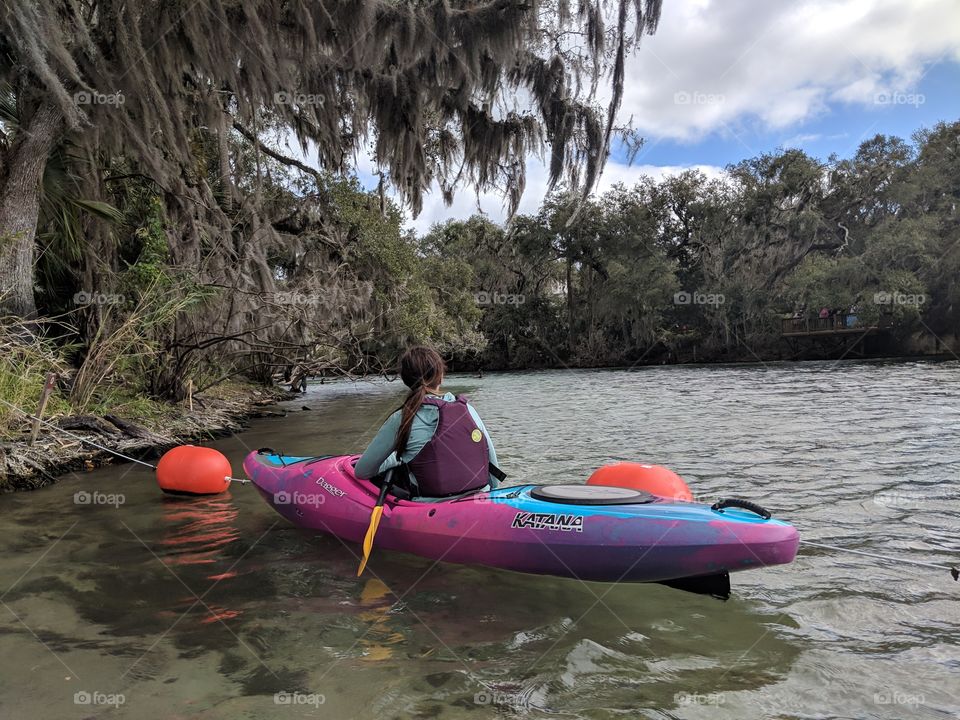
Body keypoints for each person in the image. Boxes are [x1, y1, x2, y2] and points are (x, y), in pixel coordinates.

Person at [354, 346, 504, 499]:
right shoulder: (468, 410)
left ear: (406, 380)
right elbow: (491, 461)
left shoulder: (401, 417)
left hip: (431, 508)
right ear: (441, 377)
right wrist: (491, 496)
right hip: (480, 500)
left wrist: (396, 458)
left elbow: (362, 471)